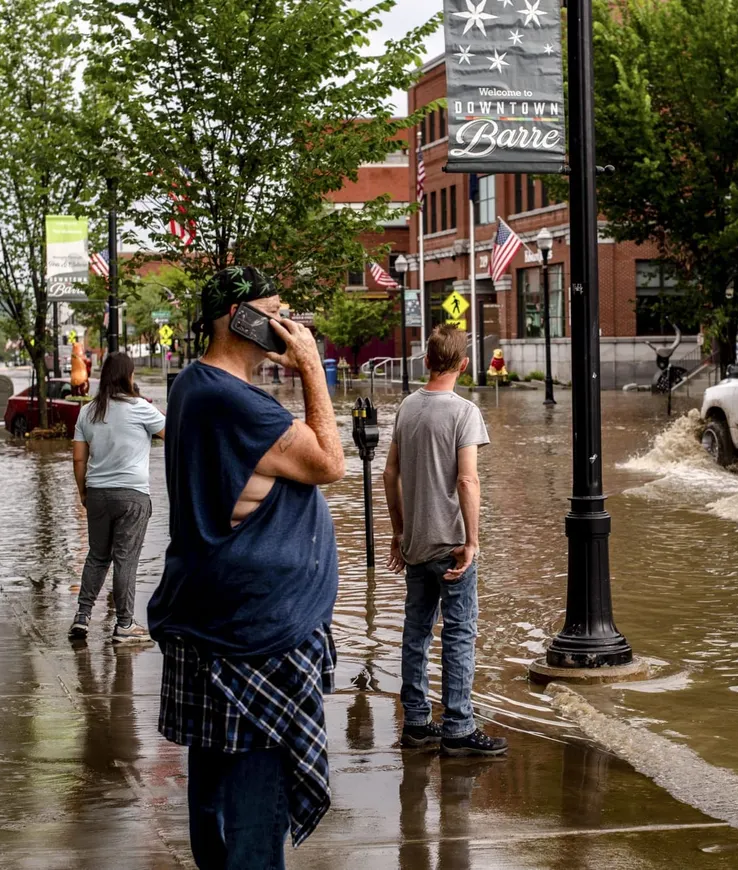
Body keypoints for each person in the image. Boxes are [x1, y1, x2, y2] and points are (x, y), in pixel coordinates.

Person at [149, 266, 345, 869]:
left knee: (215, 793)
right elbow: (329, 462)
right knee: (254, 816)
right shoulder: (231, 399)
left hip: (223, 623)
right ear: (238, 316)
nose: (286, 325)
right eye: (274, 311)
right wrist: (311, 363)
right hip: (256, 640)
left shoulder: (192, 384)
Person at [384, 324, 507, 757]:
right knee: (458, 633)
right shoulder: (463, 412)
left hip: (416, 544)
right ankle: (458, 726)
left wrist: (400, 532)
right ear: (464, 364)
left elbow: (389, 474)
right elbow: (468, 480)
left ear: (426, 361)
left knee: (416, 631)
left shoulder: (407, 408)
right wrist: (471, 541)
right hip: (452, 545)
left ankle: (416, 723)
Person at [69, 352, 164, 643]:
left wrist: (83, 491)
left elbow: (78, 460)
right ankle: (124, 625)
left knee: (97, 556)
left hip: (97, 493)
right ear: (128, 376)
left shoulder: (88, 411)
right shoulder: (141, 408)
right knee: (125, 560)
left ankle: (82, 617)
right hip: (132, 495)